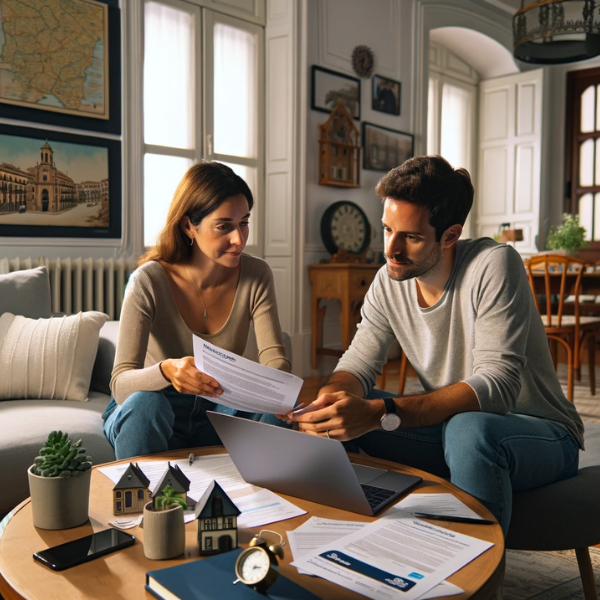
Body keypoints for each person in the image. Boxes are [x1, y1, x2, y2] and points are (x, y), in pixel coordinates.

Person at [285, 155, 583, 536]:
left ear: (450, 235)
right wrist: (331, 402)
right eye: (387, 230)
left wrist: (380, 413)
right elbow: (358, 365)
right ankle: (344, 548)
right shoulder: (388, 280)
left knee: (467, 430)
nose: (390, 250)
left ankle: (471, 581)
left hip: (541, 433)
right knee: (342, 413)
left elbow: (498, 386)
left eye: (410, 237)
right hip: (450, 430)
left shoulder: (494, 264)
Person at [103, 162, 290, 460]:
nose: (239, 239)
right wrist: (166, 371)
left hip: (217, 409)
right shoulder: (148, 281)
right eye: (224, 226)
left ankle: (264, 504)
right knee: (145, 405)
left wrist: (275, 392)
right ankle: (142, 504)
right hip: (153, 409)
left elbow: (275, 357)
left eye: (244, 222)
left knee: (276, 417)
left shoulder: (257, 274)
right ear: (189, 225)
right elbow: (120, 385)